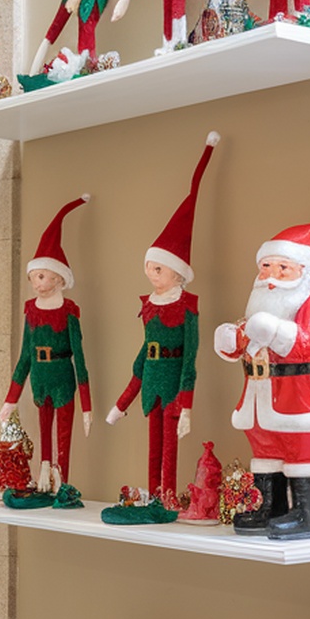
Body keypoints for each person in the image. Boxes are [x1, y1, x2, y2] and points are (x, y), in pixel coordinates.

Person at [214, 212, 310, 540]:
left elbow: (307, 344)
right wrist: (232, 340)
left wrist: (273, 329)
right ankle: (269, 507)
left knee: (302, 455)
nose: (271, 277)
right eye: (266, 267)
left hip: (304, 400)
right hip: (260, 400)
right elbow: (249, 342)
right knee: (266, 452)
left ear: (305, 271)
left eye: (282, 268)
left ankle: (304, 515)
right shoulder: (261, 306)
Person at [107, 134, 219, 504]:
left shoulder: (187, 307)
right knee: (153, 446)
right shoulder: (150, 305)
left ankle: (167, 497)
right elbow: (142, 355)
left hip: (173, 384)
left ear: (177, 273)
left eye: (159, 269)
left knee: (170, 447)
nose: (152, 275)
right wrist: (122, 402)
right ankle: (153, 496)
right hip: (152, 381)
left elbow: (191, 359)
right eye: (149, 268)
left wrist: (187, 404)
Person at [0, 197, 92, 492]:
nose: (36, 283)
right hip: (40, 379)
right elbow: (24, 356)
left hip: (63, 379)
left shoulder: (69, 311)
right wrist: (11, 398)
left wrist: (87, 405)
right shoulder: (31, 310)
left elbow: (80, 357)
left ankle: (63, 483)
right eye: (32, 277)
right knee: (43, 432)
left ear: (57, 277)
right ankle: (43, 477)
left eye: (40, 276)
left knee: (64, 433)